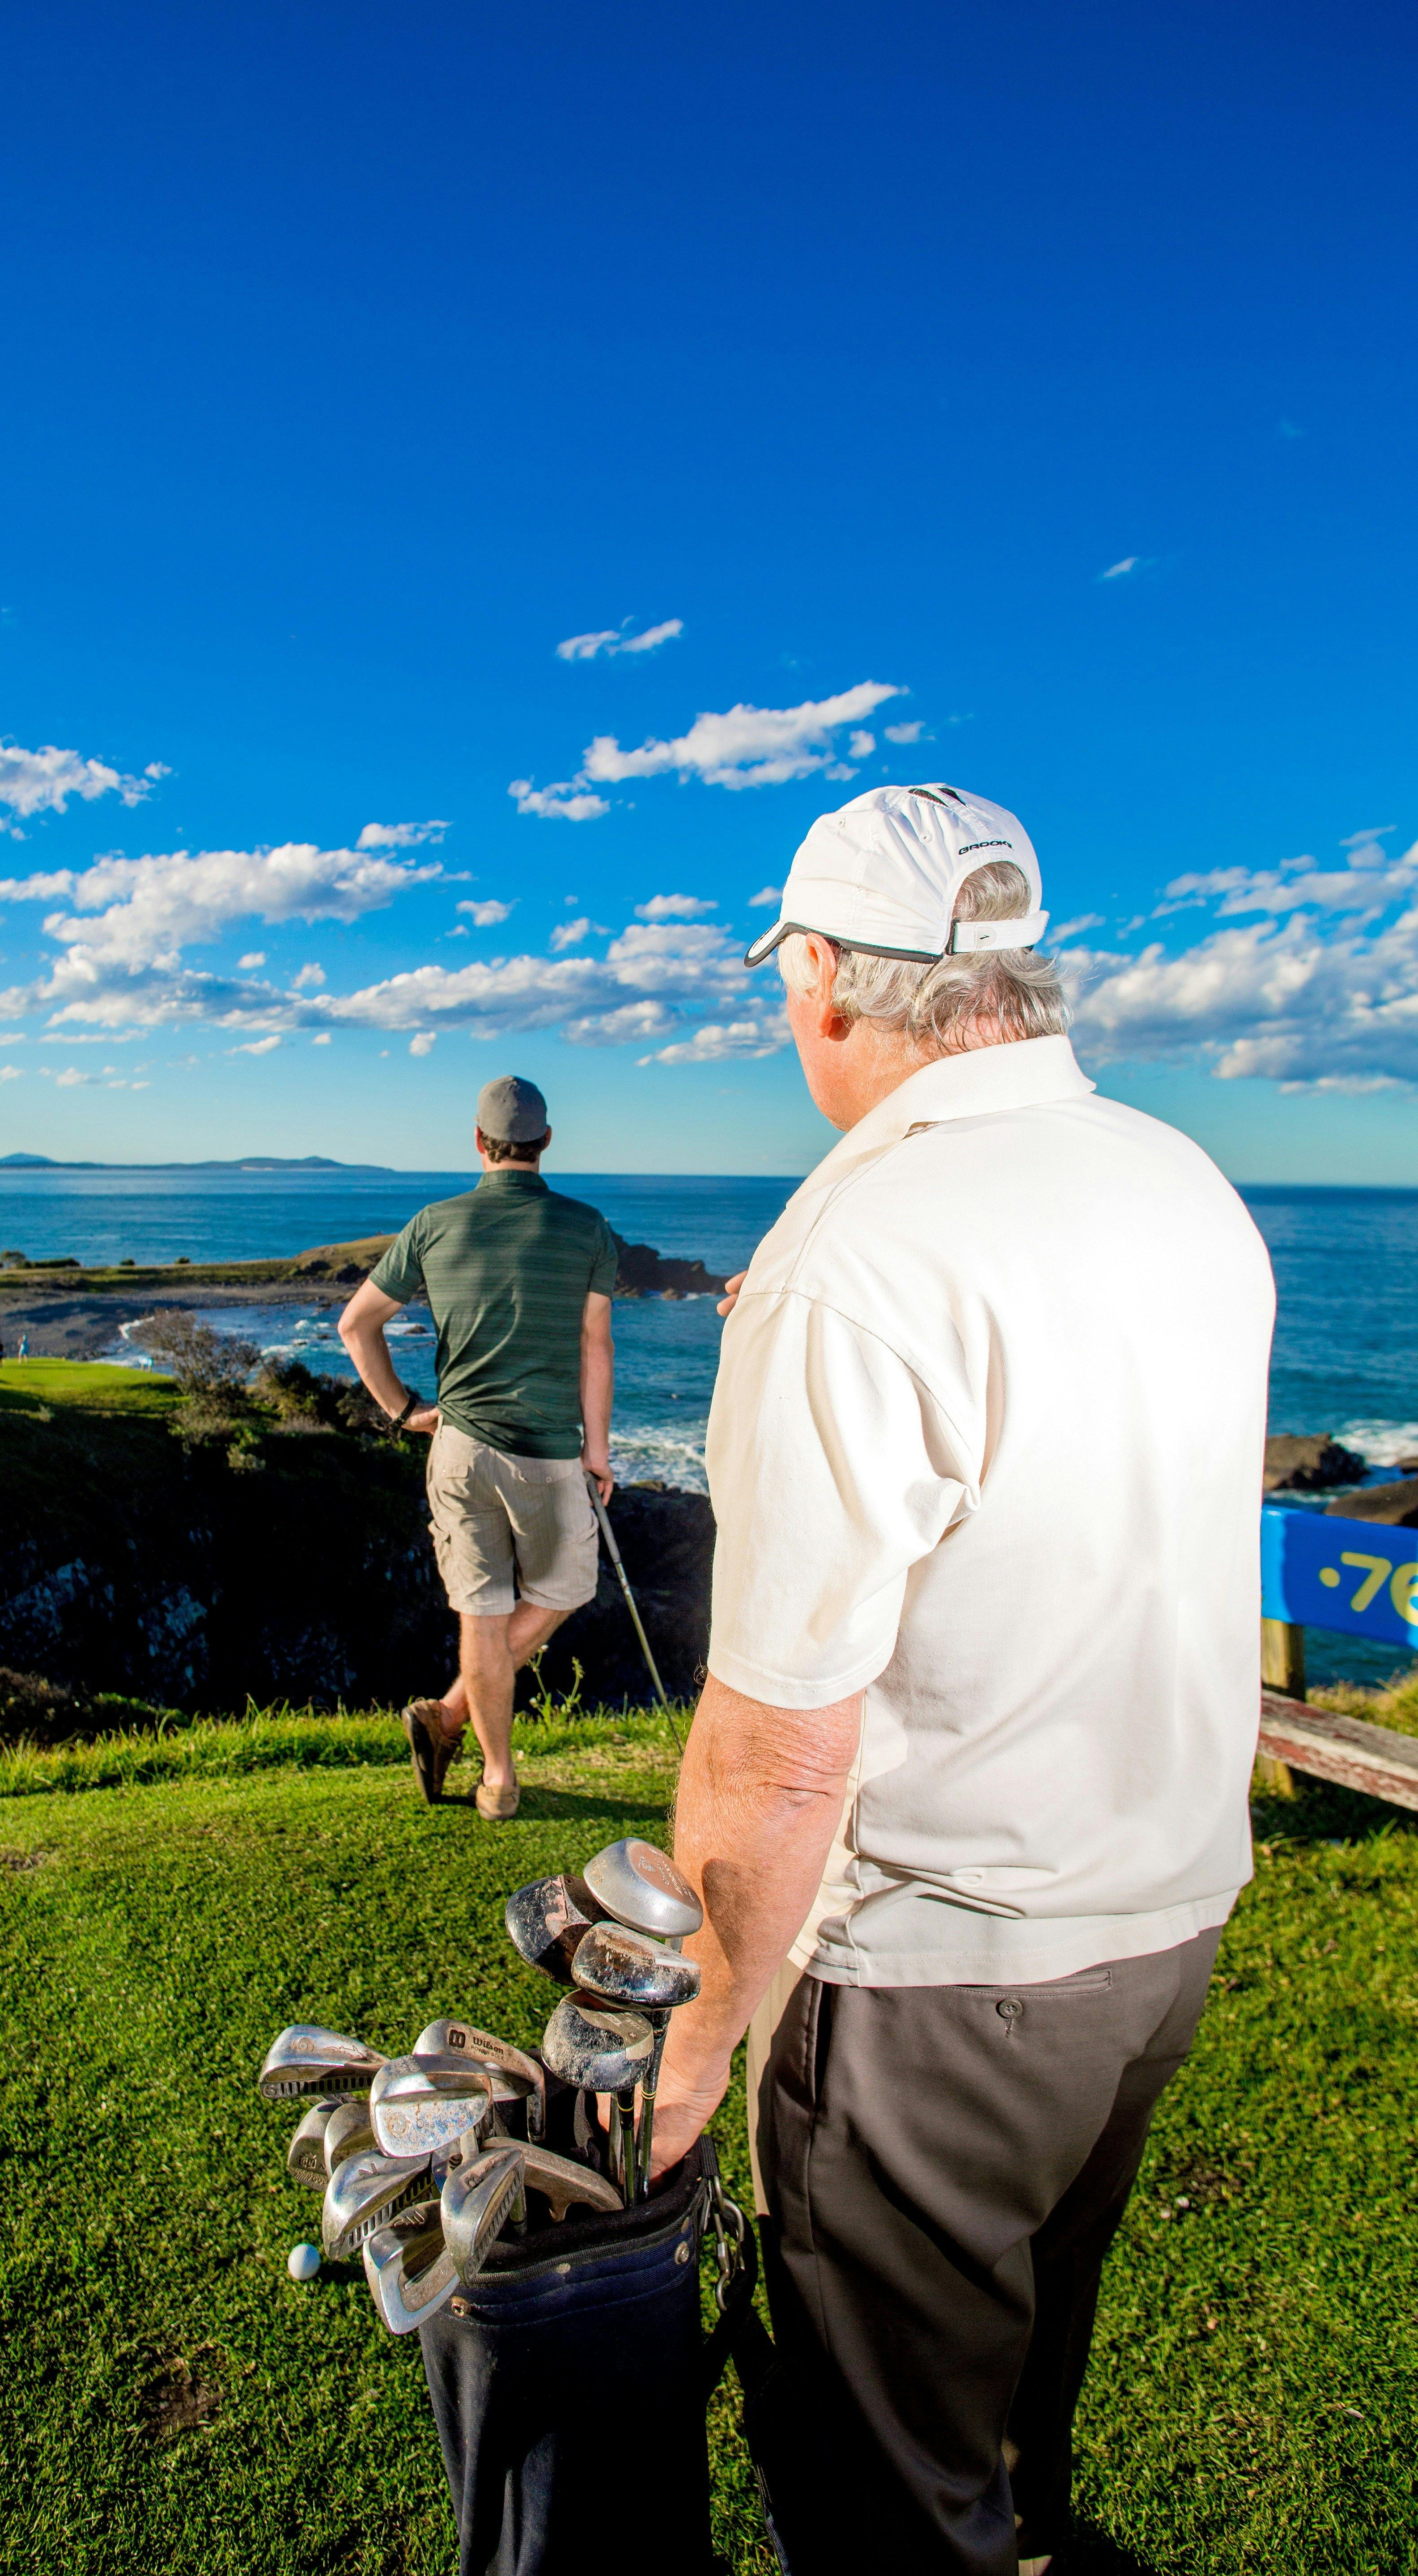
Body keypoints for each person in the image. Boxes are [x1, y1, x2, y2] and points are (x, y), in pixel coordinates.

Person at [649, 784, 1274, 2575]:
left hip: (945, 1980)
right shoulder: (1181, 1181)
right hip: (1160, 1928)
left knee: (883, 2499)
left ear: (830, 978)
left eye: (792, 978)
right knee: (1014, 2418)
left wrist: (692, 2056)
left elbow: (778, 1744)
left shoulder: (859, 1254)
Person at [338, 1076, 617, 1822]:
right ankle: (479, 1755)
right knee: (560, 1593)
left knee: (483, 1618)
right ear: (547, 1142)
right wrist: (599, 1452)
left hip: (458, 1449)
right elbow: (596, 1345)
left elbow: (356, 1326)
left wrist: (403, 1412)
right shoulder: (588, 1228)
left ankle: (477, 1752)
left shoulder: (435, 1224)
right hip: (551, 1455)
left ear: (478, 1142)